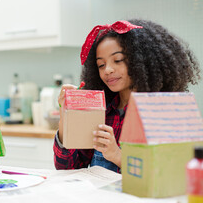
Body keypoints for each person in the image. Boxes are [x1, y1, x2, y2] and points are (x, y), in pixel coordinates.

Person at [54, 19, 201, 172]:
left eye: (117, 60)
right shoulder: (101, 113)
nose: (108, 70)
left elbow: (165, 174)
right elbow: (67, 167)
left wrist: (116, 155)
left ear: (141, 60)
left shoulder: (162, 112)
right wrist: (65, 115)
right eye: (101, 65)